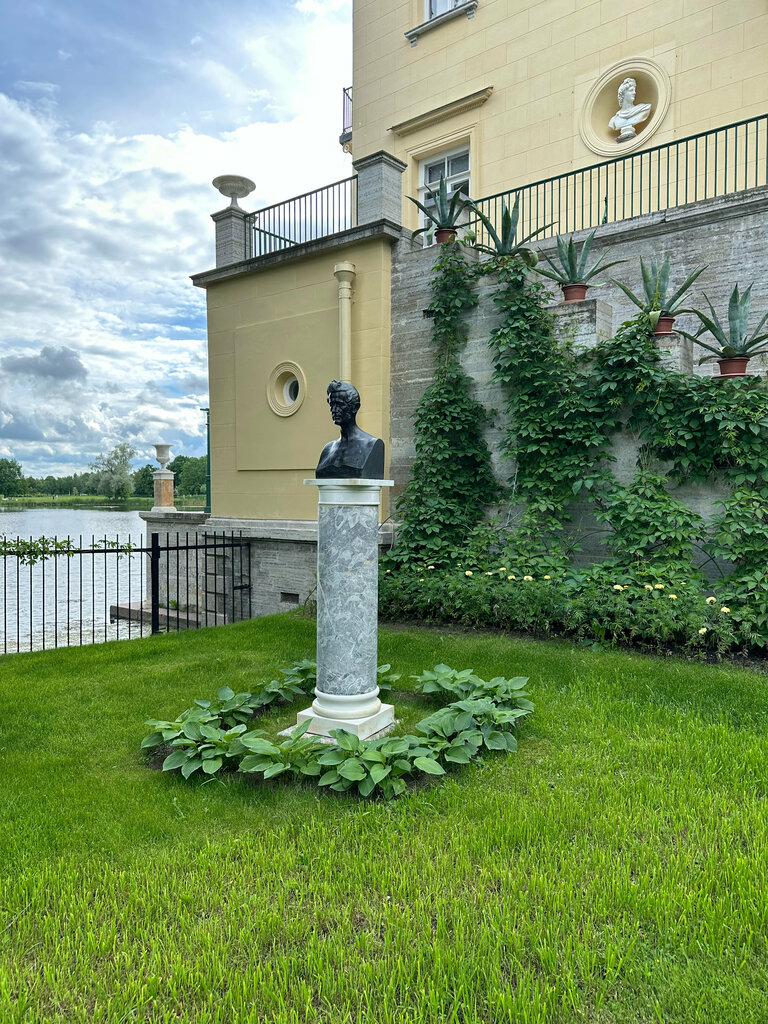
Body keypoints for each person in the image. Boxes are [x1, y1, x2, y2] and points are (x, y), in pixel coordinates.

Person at [315, 381, 385, 479]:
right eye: (332, 404)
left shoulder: (371, 445)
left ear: (355, 407)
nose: (334, 410)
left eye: (339, 404)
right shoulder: (327, 449)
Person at [609, 77, 651, 143]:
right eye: (631, 90)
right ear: (623, 94)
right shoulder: (614, 120)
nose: (634, 93)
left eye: (634, 90)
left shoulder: (643, 109)